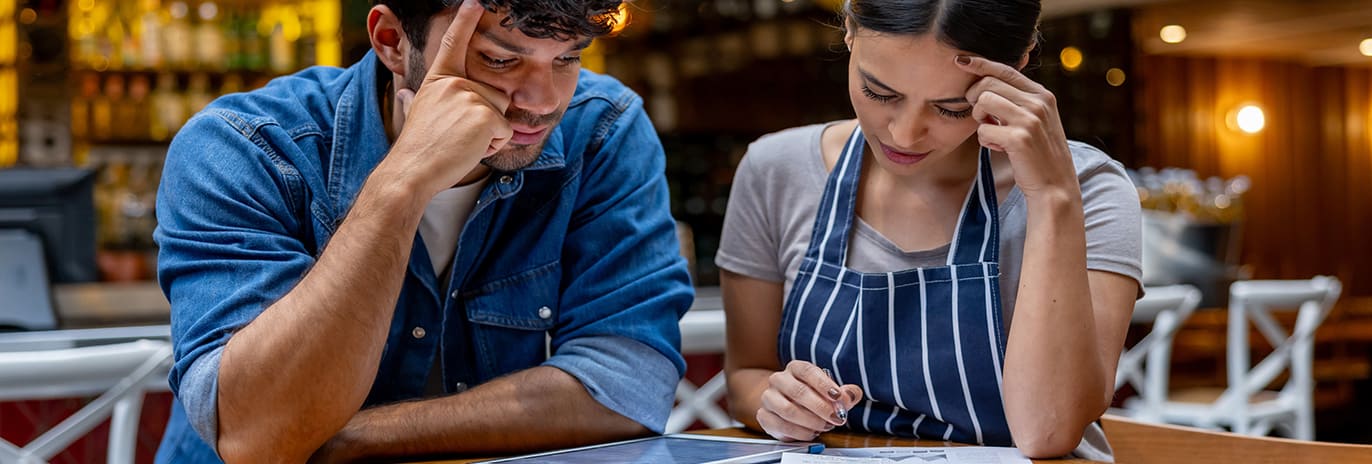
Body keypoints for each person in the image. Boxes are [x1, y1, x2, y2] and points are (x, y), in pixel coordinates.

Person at [153, 1, 693, 462]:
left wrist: (354, 437)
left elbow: (628, 385)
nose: (543, 99)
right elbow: (260, 436)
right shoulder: (247, 148)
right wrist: (401, 184)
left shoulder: (599, 129)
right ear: (391, 41)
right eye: (500, 59)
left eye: (568, 58)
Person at [717, 0, 1142, 460]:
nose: (903, 134)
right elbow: (747, 376)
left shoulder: (1090, 191)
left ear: (1018, 66)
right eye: (880, 94)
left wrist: (1052, 197)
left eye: (951, 108)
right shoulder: (774, 171)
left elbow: (1047, 432)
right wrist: (777, 403)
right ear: (849, 32)